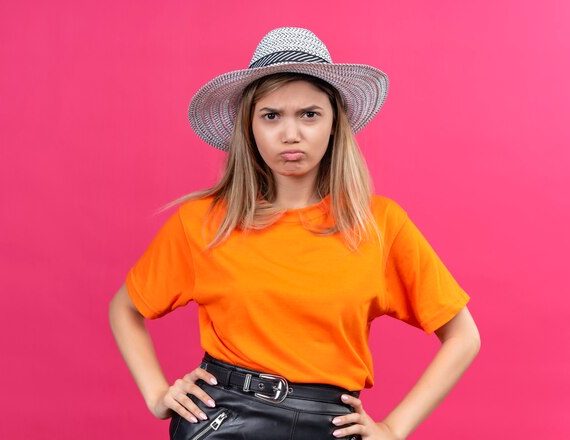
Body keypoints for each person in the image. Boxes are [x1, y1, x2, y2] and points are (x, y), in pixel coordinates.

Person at [109, 27, 480, 439]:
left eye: (309, 114)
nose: (291, 134)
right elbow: (124, 308)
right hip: (224, 420)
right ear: (249, 127)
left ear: (335, 124)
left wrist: (393, 428)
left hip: (330, 426)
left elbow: (464, 336)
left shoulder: (379, 224)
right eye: (271, 116)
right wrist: (157, 393)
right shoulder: (205, 222)